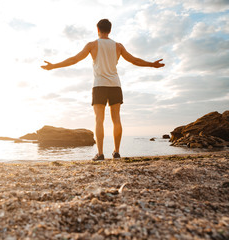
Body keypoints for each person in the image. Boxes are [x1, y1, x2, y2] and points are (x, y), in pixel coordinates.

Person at [41, 19, 164, 161]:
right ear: (110, 30)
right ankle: (116, 152)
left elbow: (74, 59)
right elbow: (134, 60)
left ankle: (100, 154)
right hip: (115, 85)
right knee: (116, 120)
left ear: (97, 29)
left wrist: (53, 66)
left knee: (99, 120)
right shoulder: (118, 46)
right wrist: (152, 65)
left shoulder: (92, 45)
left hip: (99, 85)